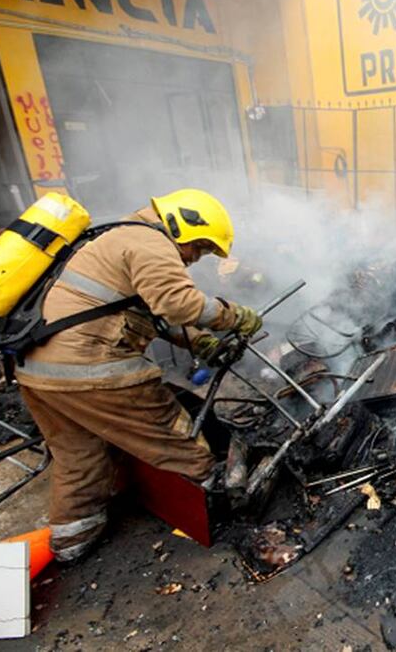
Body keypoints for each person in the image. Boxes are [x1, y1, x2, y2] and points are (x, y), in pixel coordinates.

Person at [15, 189, 262, 562]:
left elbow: (152, 315)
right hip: (90, 368)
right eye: (199, 247)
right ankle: (216, 503)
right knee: (173, 433)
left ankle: (71, 544)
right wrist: (235, 315)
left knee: (80, 457)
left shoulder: (116, 238)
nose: (196, 258)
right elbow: (178, 303)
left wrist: (202, 343)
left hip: (39, 372)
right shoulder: (149, 240)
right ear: (182, 224)